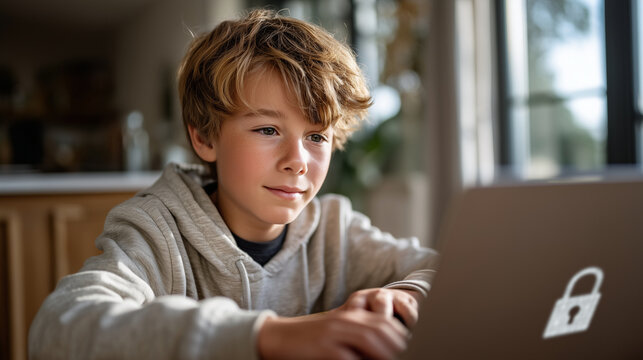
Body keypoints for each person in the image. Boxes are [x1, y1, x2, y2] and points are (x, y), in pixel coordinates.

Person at [28, 9, 439, 360]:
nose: (297, 161)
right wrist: (266, 336)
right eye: (267, 129)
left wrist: (405, 292)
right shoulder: (157, 232)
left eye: (316, 137)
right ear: (205, 138)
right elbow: (57, 329)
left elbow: (440, 270)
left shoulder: (335, 230)